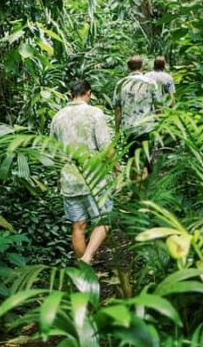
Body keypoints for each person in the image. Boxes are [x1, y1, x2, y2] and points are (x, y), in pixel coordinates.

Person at [50, 79, 113, 265]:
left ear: (71, 94)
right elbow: (106, 147)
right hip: (94, 179)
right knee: (105, 220)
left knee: (78, 226)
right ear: (88, 93)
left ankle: (85, 271)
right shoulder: (95, 114)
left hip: (69, 179)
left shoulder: (58, 117)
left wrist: (59, 178)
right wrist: (117, 170)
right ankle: (87, 258)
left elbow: (54, 153)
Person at [114, 55, 162, 161]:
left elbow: (118, 110)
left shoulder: (120, 84)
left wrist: (117, 131)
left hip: (128, 129)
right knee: (146, 160)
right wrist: (160, 127)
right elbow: (158, 106)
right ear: (142, 66)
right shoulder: (150, 83)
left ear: (128, 67)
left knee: (132, 160)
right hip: (146, 128)